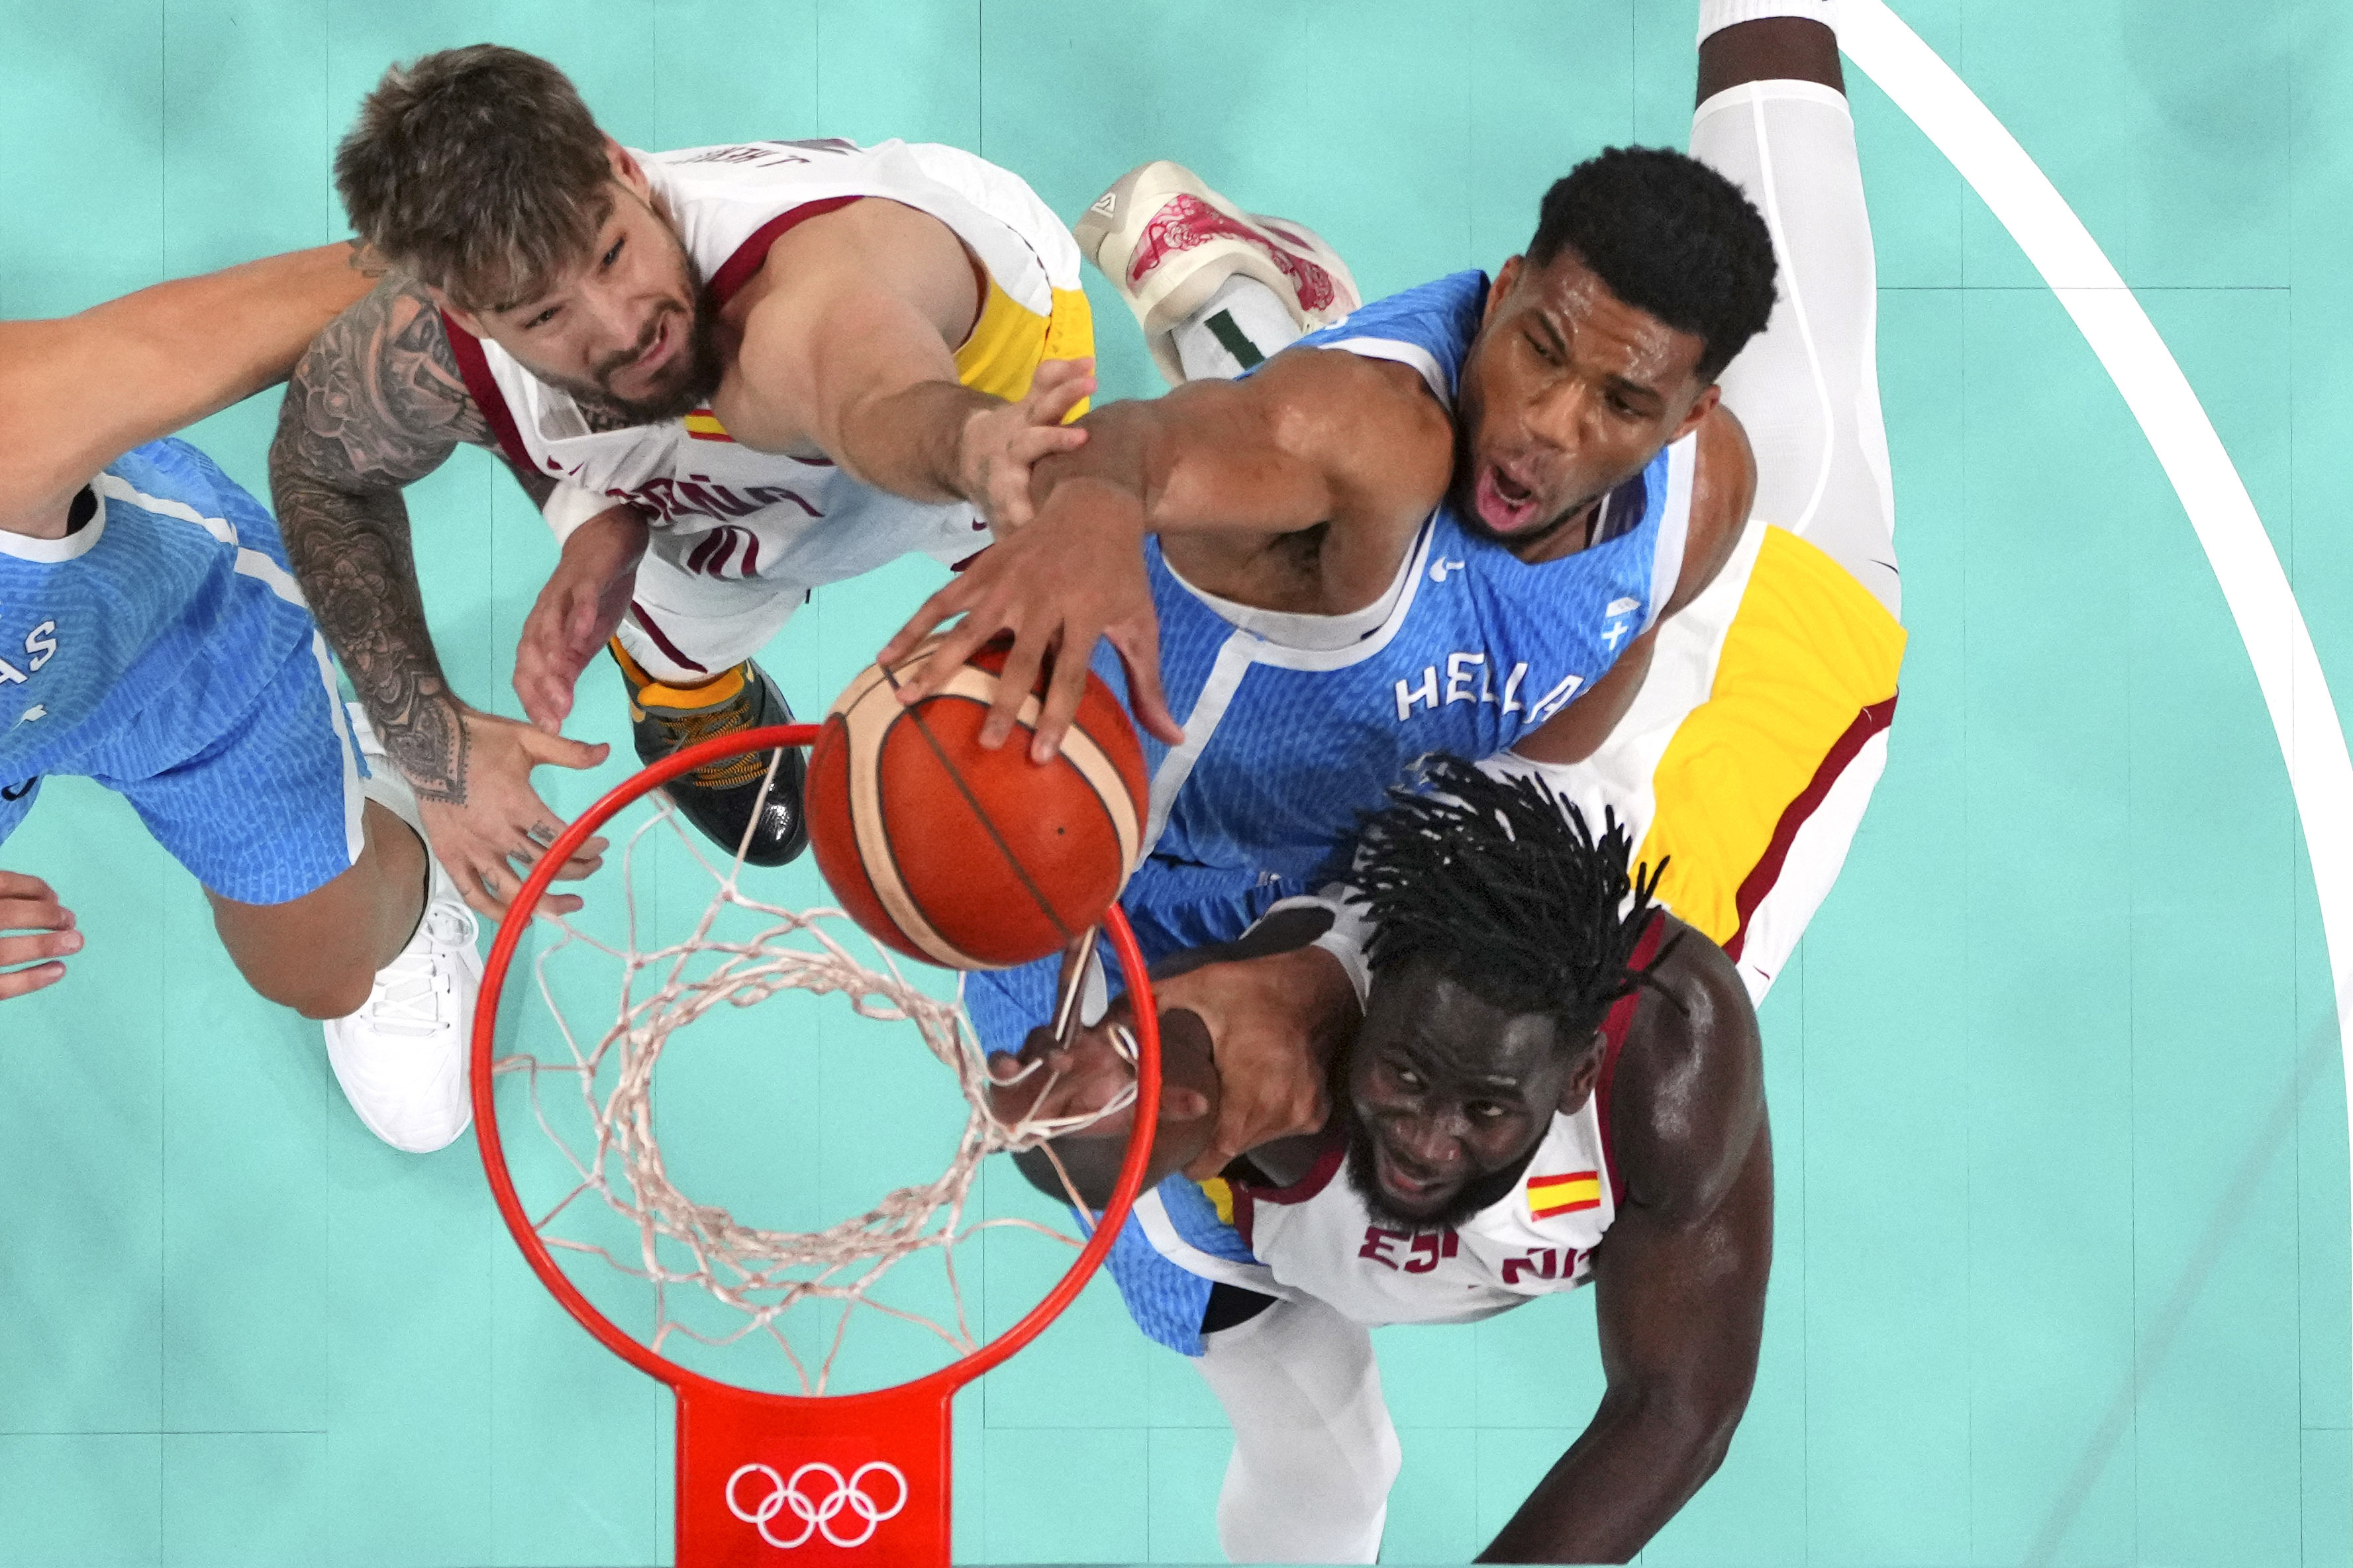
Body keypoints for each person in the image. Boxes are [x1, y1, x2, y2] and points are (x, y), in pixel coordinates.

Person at [898, 0, 1901, 1183]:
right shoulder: (1367, 437)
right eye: (1536, 347)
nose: (1543, 425)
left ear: (1687, 417)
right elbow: (1146, 447)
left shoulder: (1700, 494)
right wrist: (1093, 514)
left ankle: (1267, 311)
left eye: (1619, 405)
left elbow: (1574, 711)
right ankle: (1261, 323)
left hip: (1345, 836)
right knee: (1078, 1157)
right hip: (1119, 853)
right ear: (1510, 285)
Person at [268, 44, 1123, 920]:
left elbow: (876, 391)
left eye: (610, 255)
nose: (624, 328)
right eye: (546, 315)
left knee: (1052, 634)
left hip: (978, 397)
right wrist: (433, 746)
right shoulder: (422, 353)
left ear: (621, 166)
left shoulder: (804, 295)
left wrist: (975, 447)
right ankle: (689, 697)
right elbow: (320, 469)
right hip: (706, 503)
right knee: (679, 609)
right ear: (466, 315)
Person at [993, 759, 1770, 1563]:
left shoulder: (1672, 1062)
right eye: (1405, 1075)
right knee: (1332, 1467)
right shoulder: (1277, 1063)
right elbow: (1115, 1131)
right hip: (1224, 953)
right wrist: (1091, 1110)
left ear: (1577, 1075)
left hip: (1727, 743)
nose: (1427, 1144)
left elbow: (1676, 1406)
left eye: (1485, 1108)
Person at [0, 246, 485, 1153]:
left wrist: (566, 232)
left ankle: (386, 825)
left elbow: (159, 347)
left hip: (173, 658)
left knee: (324, 975)